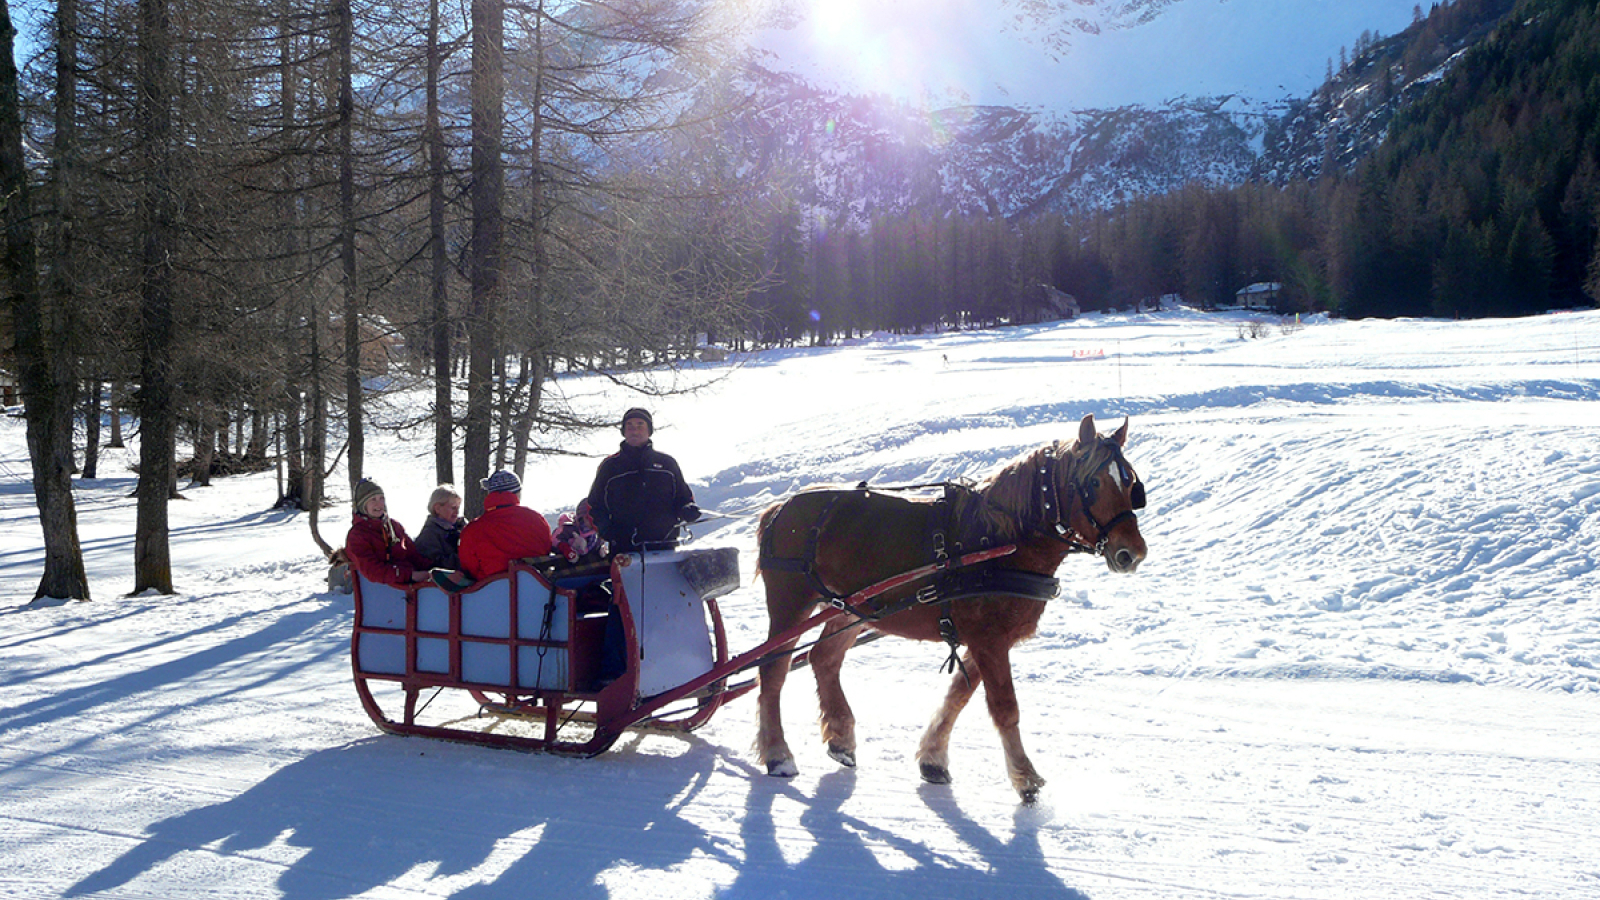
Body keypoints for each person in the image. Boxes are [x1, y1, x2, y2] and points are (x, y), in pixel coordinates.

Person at [585, 407, 700, 555]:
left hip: (665, 547)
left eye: (640, 425)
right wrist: (609, 531)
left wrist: (687, 510)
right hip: (624, 551)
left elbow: (683, 498)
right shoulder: (610, 467)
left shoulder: (667, 464)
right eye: (630, 426)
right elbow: (594, 506)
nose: (635, 430)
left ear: (649, 430)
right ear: (624, 431)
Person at [454, 470, 553, 581]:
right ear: (517, 493)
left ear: (490, 494)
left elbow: (469, 567)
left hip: (490, 593)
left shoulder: (473, 530)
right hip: (537, 590)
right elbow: (546, 549)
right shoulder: (537, 519)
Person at [343, 478, 433, 589]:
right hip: (383, 592)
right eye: (373, 499)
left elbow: (413, 555)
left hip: (408, 586)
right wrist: (409, 575)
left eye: (381, 498)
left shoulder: (394, 526)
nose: (379, 503)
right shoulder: (357, 535)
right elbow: (372, 571)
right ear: (363, 505)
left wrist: (434, 569)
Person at [414, 485, 467, 570]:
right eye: (453, 508)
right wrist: (466, 558)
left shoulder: (461, 527)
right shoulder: (429, 535)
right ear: (438, 508)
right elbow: (436, 565)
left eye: (458, 508)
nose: (457, 512)